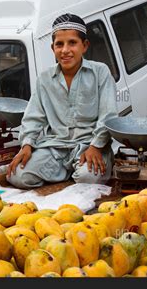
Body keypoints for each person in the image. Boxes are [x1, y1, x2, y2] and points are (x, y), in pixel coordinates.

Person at [6, 13, 118, 189]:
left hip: (89, 146)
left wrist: (96, 146)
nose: (65, 50)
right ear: (53, 48)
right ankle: (67, 171)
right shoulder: (45, 79)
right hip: (55, 148)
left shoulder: (100, 73)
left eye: (72, 43)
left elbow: (109, 116)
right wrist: (27, 144)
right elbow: (33, 118)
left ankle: (77, 170)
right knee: (18, 176)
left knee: (88, 178)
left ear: (85, 45)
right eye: (59, 44)